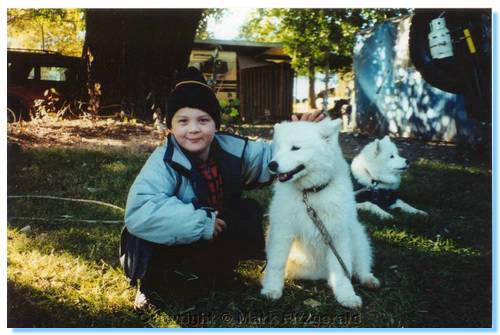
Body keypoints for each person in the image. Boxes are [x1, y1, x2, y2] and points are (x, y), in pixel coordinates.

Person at [120, 67, 324, 310]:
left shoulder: (231, 148)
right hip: (170, 236)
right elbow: (140, 211)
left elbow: (272, 157)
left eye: (203, 120)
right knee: (146, 238)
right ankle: (151, 287)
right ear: (170, 128)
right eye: (183, 121)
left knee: (246, 210)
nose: (193, 129)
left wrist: (299, 135)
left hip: (210, 228)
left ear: (215, 125)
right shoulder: (164, 160)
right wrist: (200, 221)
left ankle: (217, 271)